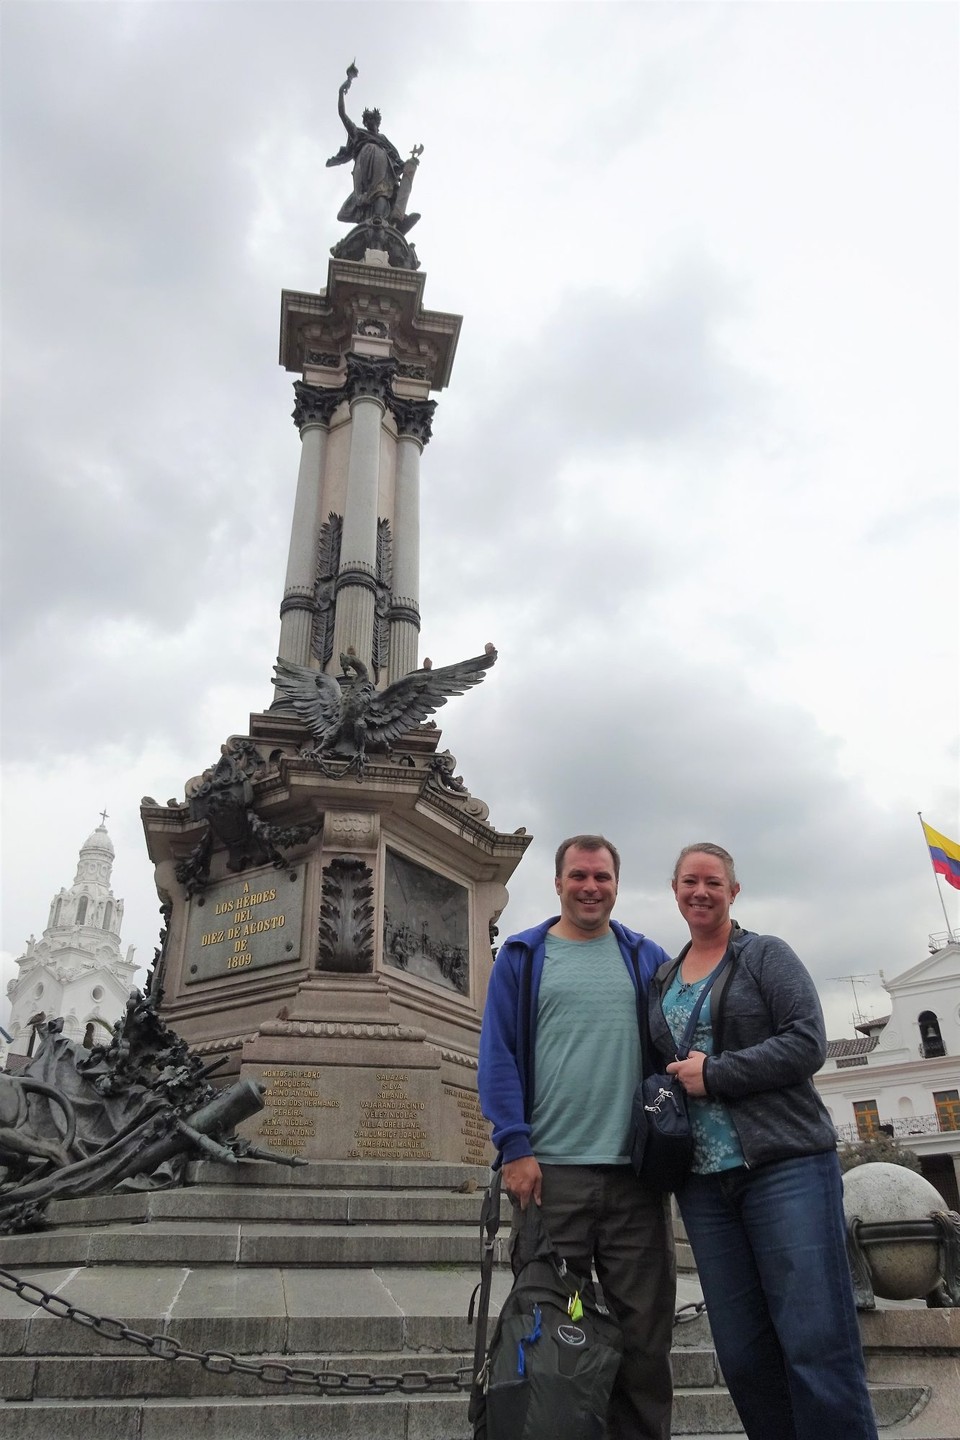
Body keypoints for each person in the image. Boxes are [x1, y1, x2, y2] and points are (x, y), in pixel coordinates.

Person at [648, 842, 878, 1440]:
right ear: (674, 890)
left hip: (784, 1165)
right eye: (689, 882)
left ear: (733, 891)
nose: (701, 892)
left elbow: (808, 1042)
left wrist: (716, 1074)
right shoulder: (663, 978)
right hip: (703, 1183)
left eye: (713, 882)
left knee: (814, 1339)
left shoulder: (764, 955)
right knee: (744, 1355)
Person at [478, 834, 676, 1440]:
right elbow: (498, 1056)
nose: (591, 887)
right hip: (549, 1176)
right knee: (543, 1335)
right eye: (579, 876)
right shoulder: (522, 956)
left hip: (634, 1177)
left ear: (616, 883)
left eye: (602, 877)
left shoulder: (647, 958)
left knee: (645, 1339)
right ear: (558, 882)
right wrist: (515, 1145)